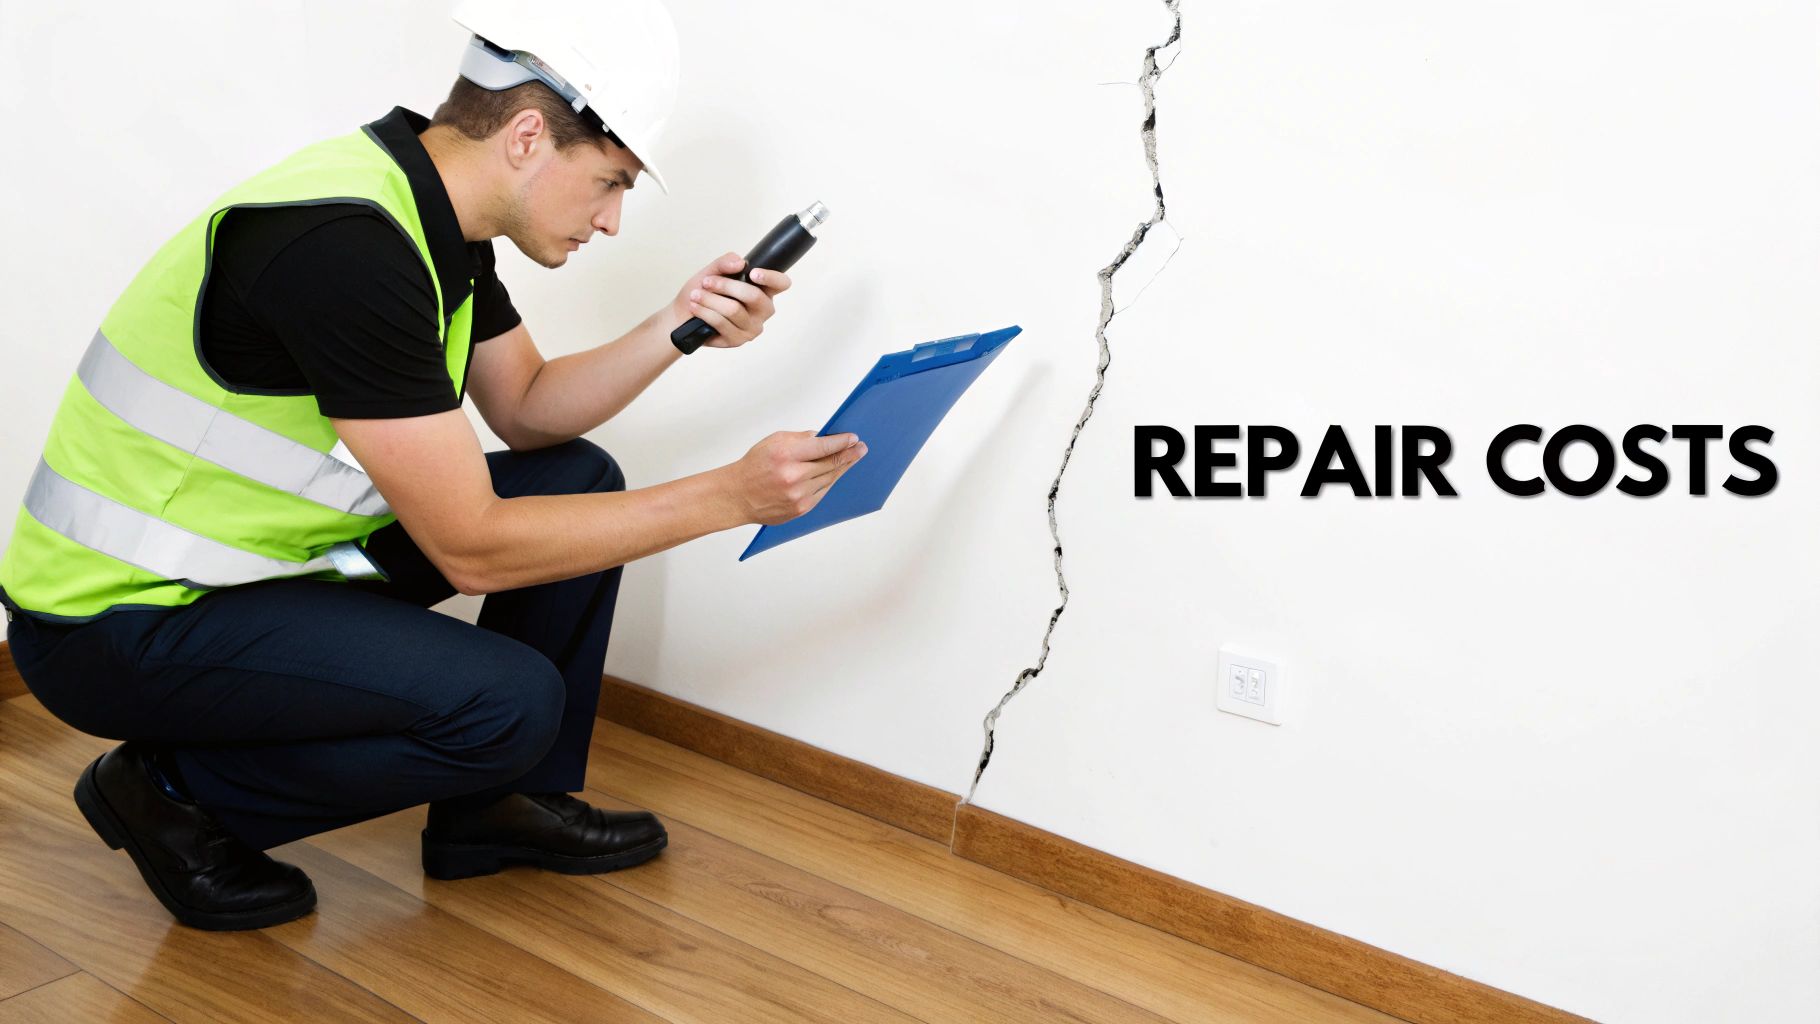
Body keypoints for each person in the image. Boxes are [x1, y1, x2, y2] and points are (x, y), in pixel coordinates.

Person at [0, 0, 867, 931]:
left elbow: (527, 408)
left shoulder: (428, 217)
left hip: (249, 572)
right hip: (120, 622)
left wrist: (678, 324)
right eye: (610, 182)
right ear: (528, 136)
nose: (613, 221)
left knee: (575, 474)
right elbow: (473, 550)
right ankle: (172, 792)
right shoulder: (347, 248)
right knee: (509, 705)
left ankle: (497, 808)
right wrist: (731, 496)